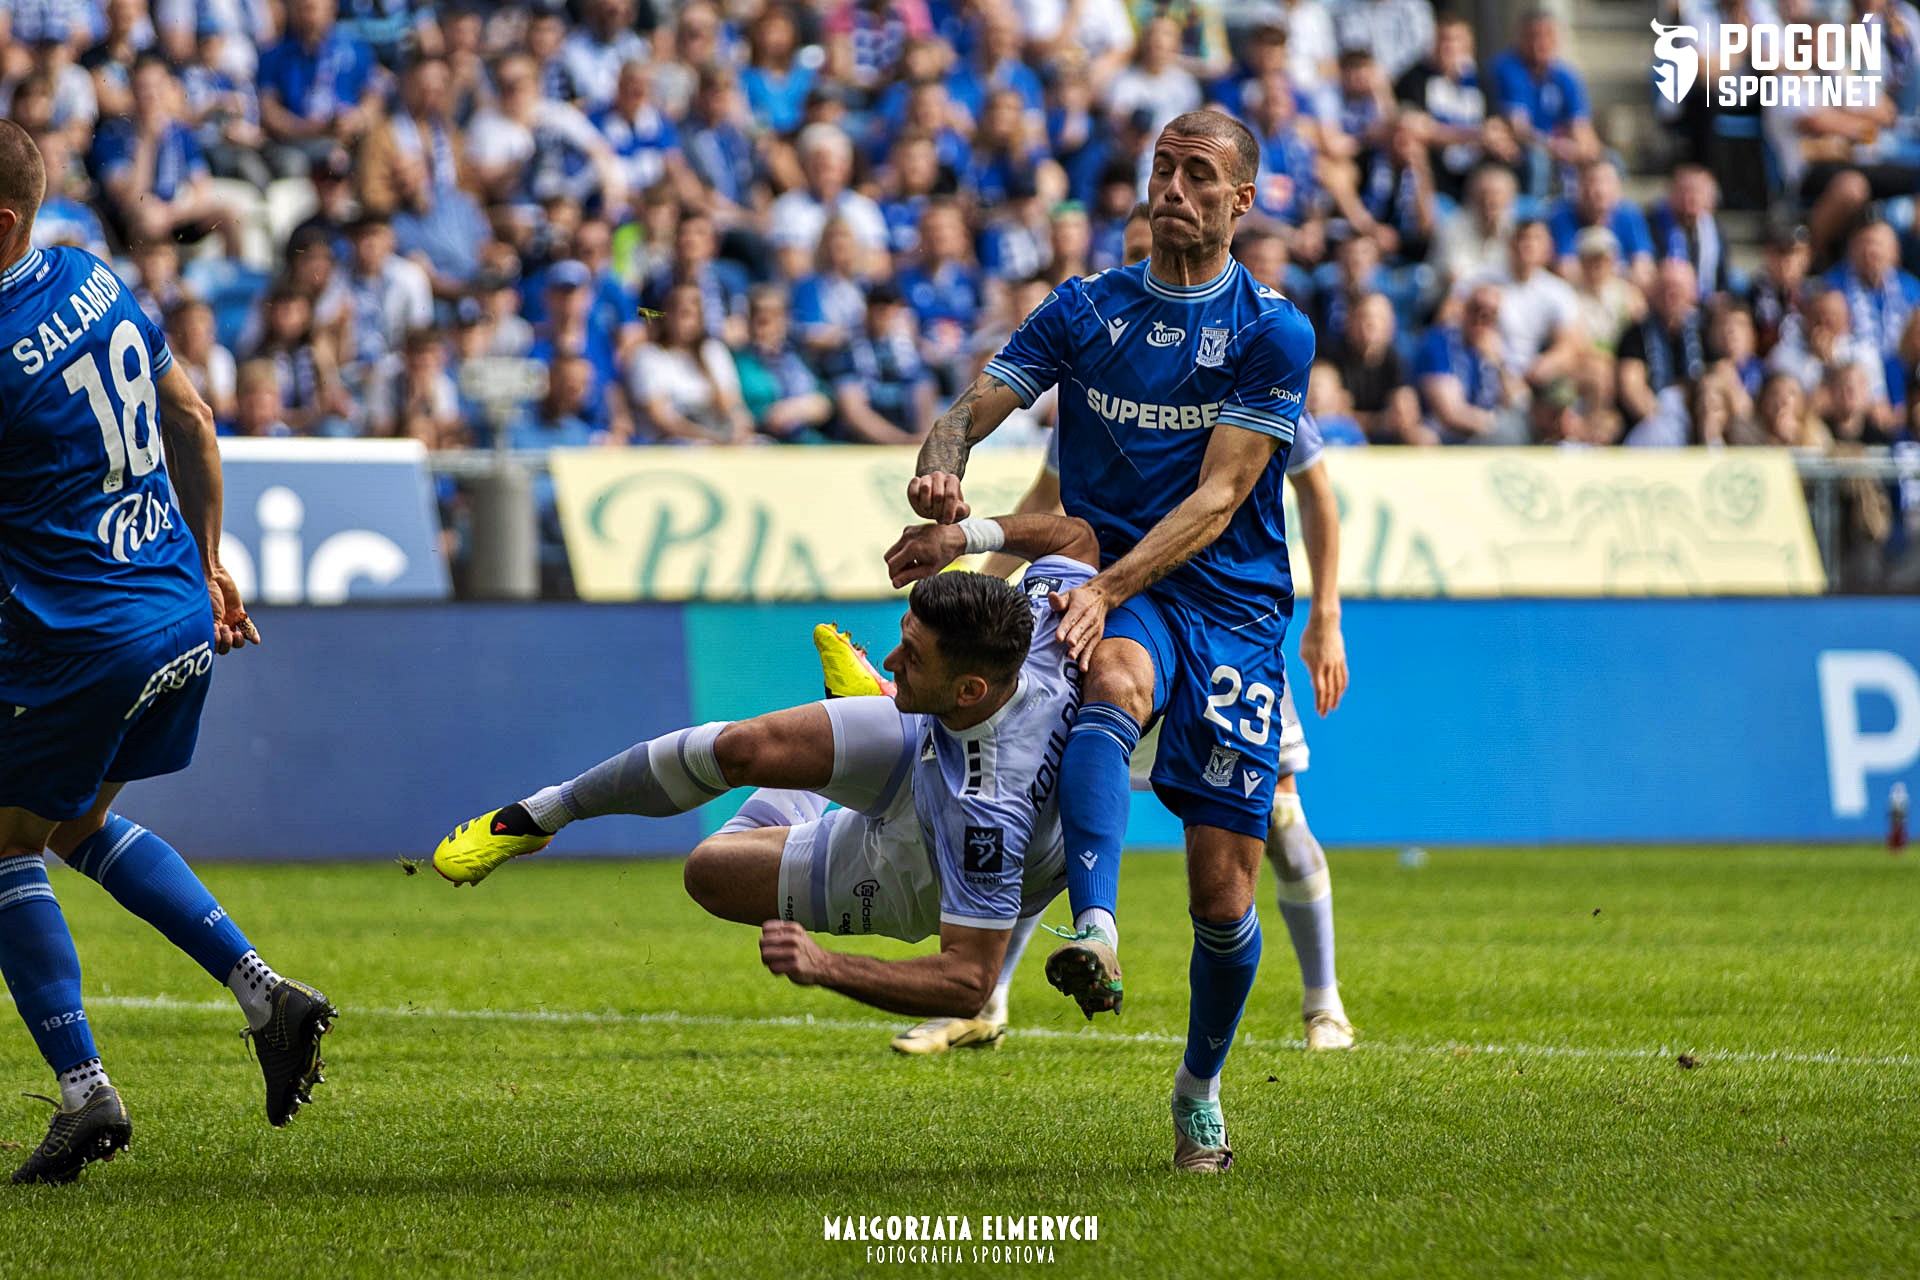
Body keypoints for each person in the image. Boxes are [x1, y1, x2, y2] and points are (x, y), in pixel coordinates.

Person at [907, 111, 1316, 1172]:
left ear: (1241, 201)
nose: (1172, 187)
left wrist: (1109, 583)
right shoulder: (1085, 308)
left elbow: (1221, 498)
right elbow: (976, 404)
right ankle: (1096, 928)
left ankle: (1198, 1089)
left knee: (1223, 894)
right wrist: (945, 457)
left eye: (1199, 174)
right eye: (1162, 168)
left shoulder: (1273, 331)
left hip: (1232, 607)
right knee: (1114, 681)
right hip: (1122, 589)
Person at [0, 121, 335, 1185]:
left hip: (84, 634)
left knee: (4, 847)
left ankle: (85, 1092)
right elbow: (190, 417)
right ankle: (265, 995)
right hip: (176, 608)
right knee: (76, 824)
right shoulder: (89, 278)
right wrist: (211, 561)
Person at [431, 517, 1100, 1033]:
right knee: (742, 748)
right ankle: (539, 815)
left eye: (913, 657)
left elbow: (968, 982)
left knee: (711, 872)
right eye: (902, 638)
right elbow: (1075, 537)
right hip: (928, 734)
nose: (895, 658)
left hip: (926, 860)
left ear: (971, 687)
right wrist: (965, 536)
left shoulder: (988, 820)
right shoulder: (1045, 624)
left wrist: (827, 966)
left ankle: (838, 751)